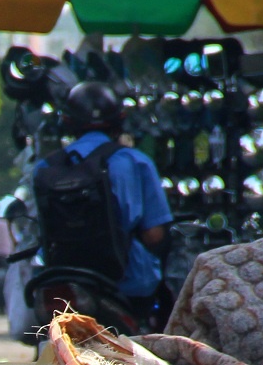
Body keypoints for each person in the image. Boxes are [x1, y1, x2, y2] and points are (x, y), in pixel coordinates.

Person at [32, 80, 173, 324]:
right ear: (119, 118)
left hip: (61, 279)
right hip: (129, 282)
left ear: (67, 121)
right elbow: (154, 235)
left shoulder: (45, 166)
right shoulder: (135, 161)